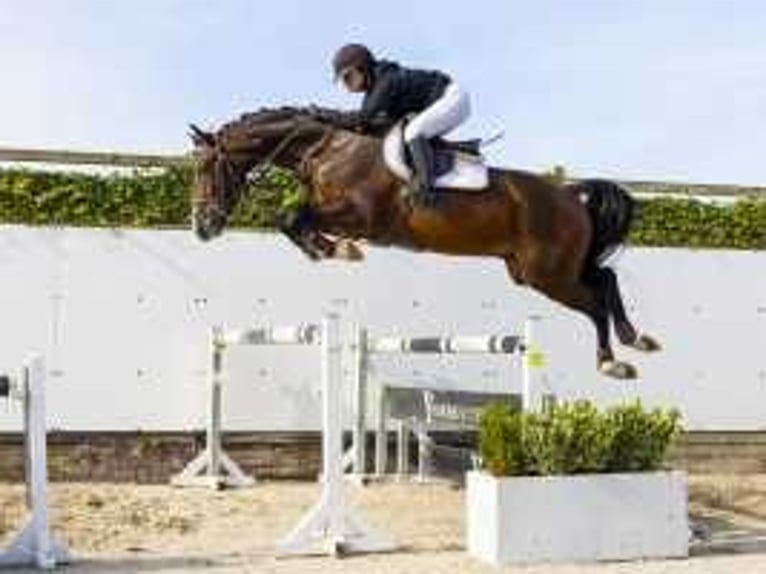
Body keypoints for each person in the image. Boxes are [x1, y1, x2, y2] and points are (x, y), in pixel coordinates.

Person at [332, 43, 470, 203]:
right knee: (405, 133)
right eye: (343, 80)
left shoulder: (386, 82)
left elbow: (361, 119)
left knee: (414, 132)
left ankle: (427, 189)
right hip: (442, 101)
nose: (346, 85)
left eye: (348, 77)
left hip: (453, 98)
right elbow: (363, 126)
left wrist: (324, 115)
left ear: (362, 68)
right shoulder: (374, 89)